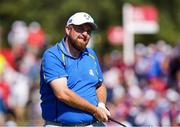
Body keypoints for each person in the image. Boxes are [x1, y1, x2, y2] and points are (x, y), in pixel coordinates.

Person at [40, 12, 111, 126]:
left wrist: (101, 105)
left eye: (88, 31)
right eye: (80, 29)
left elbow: (100, 85)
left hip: (93, 123)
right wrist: (95, 110)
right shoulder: (53, 55)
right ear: (68, 30)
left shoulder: (91, 54)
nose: (85, 34)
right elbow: (62, 93)